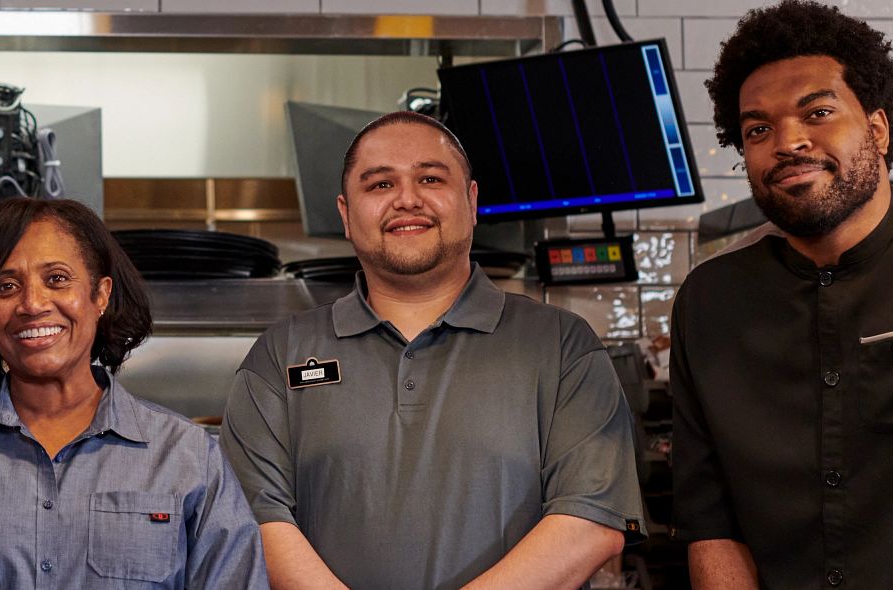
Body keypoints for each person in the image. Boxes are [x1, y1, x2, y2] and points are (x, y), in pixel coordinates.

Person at [222, 111, 643, 589]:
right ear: (345, 213)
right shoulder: (279, 356)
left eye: (430, 178)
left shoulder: (563, 345)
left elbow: (590, 524)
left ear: (471, 199)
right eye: (380, 185)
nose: (407, 199)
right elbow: (256, 520)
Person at [671, 0, 893, 589]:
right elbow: (709, 522)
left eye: (817, 112)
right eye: (758, 128)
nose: (788, 142)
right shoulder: (710, 300)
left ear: (878, 129)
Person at [0, 197, 268, 589]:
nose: (33, 303)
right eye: (6, 287)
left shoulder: (187, 458)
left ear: (99, 295)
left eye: (57, 279)